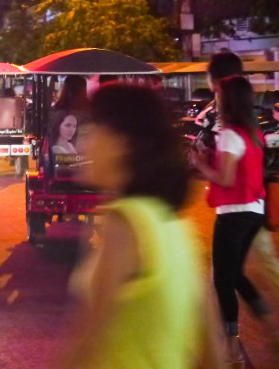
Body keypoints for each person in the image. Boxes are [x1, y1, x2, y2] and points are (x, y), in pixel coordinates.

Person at [65, 83, 222, 368]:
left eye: (93, 130)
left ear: (122, 144)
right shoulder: (176, 225)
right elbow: (212, 347)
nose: (84, 142)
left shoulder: (124, 223)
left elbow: (86, 341)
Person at [201, 51, 279, 335]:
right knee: (240, 269)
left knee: (233, 272)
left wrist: (209, 165)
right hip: (254, 198)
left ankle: (229, 335)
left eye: (210, 78)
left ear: (217, 79)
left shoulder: (230, 104)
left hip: (244, 200)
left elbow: (233, 161)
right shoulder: (242, 101)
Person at [189, 74, 274, 363]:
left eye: (218, 97)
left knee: (223, 282)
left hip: (233, 214)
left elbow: (224, 178)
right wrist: (210, 154)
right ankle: (268, 322)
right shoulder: (253, 132)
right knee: (235, 274)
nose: (215, 102)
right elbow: (239, 168)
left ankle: (232, 346)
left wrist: (200, 164)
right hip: (255, 212)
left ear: (227, 101)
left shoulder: (228, 133)